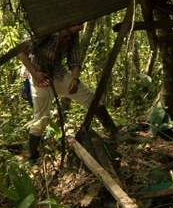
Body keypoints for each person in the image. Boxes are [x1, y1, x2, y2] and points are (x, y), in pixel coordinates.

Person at [18, 24, 118, 160]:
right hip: (39, 77)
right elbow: (21, 52)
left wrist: (75, 80)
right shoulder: (47, 29)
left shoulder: (73, 36)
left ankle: (113, 131)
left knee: (90, 98)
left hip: (58, 74)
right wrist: (35, 75)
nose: (81, 27)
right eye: (78, 24)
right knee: (41, 119)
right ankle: (33, 156)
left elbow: (75, 60)